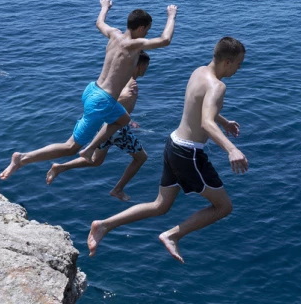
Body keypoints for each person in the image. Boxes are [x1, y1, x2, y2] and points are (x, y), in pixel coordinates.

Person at [87, 37, 248, 264]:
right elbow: (206, 123)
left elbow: (198, 104)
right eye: (239, 64)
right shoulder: (218, 86)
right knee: (224, 207)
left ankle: (104, 225)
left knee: (160, 205)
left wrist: (224, 121)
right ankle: (172, 235)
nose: (239, 69)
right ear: (228, 62)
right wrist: (231, 149)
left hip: (173, 144)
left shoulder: (199, 72)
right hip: (189, 153)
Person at [0, 0, 177, 180]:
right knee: (70, 147)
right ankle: (23, 158)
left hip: (93, 89)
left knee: (124, 119)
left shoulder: (114, 34)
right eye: (147, 30)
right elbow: (165, 40)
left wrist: (104, 7)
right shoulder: (133, 45)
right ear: (141, 28)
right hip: (102, 100)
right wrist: (171, 16)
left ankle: (90, 148)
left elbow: (99, 23)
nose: (146, 34)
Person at [45, 52, 151, 201]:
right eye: (146, 66)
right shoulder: (132, 85)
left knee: (96, 160)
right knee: (141, 158)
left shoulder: (121, 79)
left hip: (105, 125)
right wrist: (125, 104)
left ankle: (60, 167)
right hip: (116, 129)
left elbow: (114, 103)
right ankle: (118, 189)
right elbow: (116, 102)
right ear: (139, 66)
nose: (147, 69)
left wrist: (128, 119)